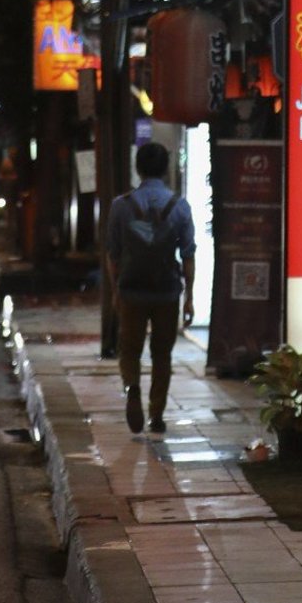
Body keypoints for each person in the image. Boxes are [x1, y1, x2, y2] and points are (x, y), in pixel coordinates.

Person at [106, 141, 196, 435]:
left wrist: (116, 291)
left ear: (138, 168)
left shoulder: (121, 206)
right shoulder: (179, 206)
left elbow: (113, 254)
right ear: (166, 169)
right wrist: (189, 298)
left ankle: (132, 386)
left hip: (132, 289)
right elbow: (188, 254)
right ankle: (156, 415)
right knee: (162, 353)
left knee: (129, 349)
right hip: (167, 291)